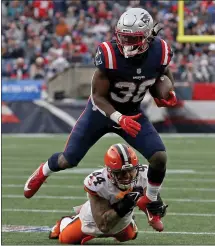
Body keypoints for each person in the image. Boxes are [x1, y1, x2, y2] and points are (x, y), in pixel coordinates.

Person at [24, 8, 176, 231]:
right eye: (122, 37)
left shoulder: (160, 50)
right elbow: (97, 97)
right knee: (69, 159)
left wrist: (166, 92)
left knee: (159, 157)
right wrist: (118, 117)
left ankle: (150, 201)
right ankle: (43, 171)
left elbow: (163, 74)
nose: (125, 43)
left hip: (132, 113)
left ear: (147, 37)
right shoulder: (108, 53)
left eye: (132, 38)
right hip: (100, 113)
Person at [48, 144, 168, 244]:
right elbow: (103, 225)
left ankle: (130, 223)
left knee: (129, 236)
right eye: (120, 172)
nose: (126, 176)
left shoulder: (144, 174)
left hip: (122, 221)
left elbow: (152, 205)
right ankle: (66, 221)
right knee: (65, 239)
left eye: (130, 170)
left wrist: (158, 209)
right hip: (93, 221)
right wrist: (125, 205)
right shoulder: (98, 182)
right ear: (109, 171)